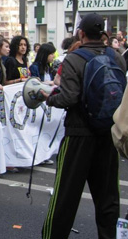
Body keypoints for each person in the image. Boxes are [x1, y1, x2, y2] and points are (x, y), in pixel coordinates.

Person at [41, 13, 126, 239]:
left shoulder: (74, 58)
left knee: (65, 196)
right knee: (108, 198)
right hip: (109, 133)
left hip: (79, 134)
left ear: (81, 33)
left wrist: (48, 98)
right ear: (103, 34)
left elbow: (68, 98)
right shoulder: (117, 56)